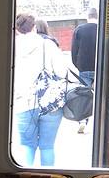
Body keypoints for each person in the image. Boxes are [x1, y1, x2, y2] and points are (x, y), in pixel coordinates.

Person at [12, 11, 75, 167]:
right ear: (34, 27)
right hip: (50, 103)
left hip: (23, 103)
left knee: (27, 145)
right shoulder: (47, 45)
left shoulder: (12, 47)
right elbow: (62, 72)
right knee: (47, 147)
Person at [71, 7, 100, 134]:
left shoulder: (79, 30)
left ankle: (83, 121)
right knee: (101, 95)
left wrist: (78, 65)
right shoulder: (102, 29)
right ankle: (101, 121)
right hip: (100, 68)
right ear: (98, 16)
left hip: (84, 68)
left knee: (84, 96)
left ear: (87, 17)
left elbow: (74, 51)